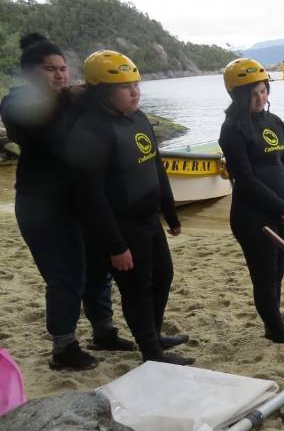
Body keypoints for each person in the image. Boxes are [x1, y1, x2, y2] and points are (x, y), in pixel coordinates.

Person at [0, 34, 123, 371]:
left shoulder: (72, 101)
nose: (60, 75)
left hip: (80, 202)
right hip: (41, 208)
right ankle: (64, 348)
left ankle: (104, 332)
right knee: (65, 274)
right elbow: (25, 121)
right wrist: (68, 95)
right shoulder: (15, 103)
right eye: (50, 70)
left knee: (98, 269)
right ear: (30, 75)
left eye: (63, 69)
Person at [65, 50, 192, 365]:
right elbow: (90, 197)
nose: (135, 91)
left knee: (163, 276)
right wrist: (115, 245)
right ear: (103, 92)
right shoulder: (90, 130)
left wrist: (170, 211)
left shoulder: (138, 117)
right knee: (137, 289)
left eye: (136, 83)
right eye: (125, 86)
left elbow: (156, 167)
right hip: (121, 225)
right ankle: (151, 352)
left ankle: (154, 334)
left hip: (149, 219)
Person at [218, 58, 284, 344]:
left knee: (278, 274)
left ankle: (274, 325)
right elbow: (245, 180)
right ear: (238, 95)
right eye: (252, 93)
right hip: (254, 217)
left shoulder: (274, 122)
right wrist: (280, 208)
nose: (260, 98)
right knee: (265, 276)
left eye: (263, 91)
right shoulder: (232, 129)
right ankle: (276, 330)